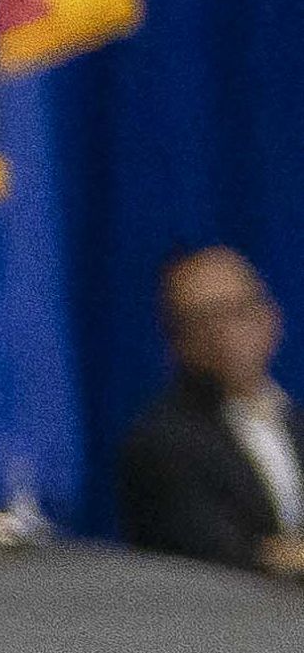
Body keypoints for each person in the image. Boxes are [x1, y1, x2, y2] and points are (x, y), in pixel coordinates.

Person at [117, 247, 300, 577]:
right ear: (178, 342)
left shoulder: (293, 422)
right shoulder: (161, 443)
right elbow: (214, 554)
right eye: (206, 319)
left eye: (239, 311)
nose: (227, 333)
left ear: (270, 317)